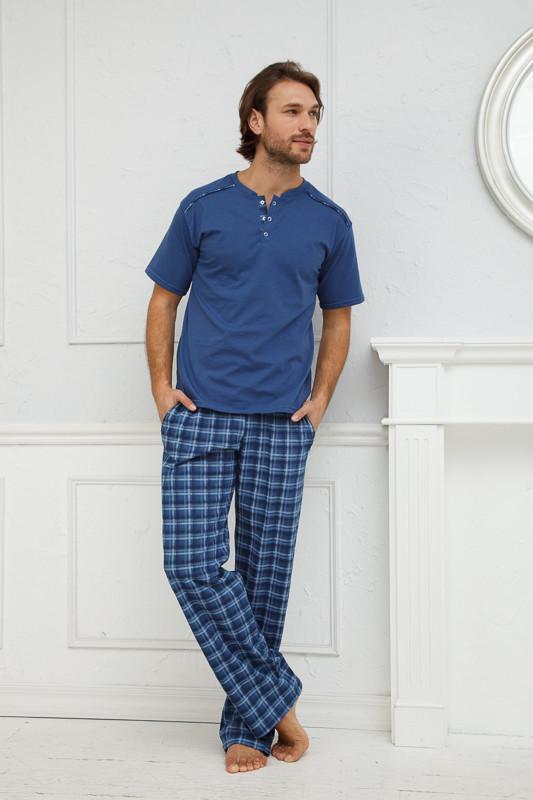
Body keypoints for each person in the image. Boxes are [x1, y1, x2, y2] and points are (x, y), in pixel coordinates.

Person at [144, 59, 365, 774]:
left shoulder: (329, 221)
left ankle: (249, 729)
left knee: (265, 579)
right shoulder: (202, 207)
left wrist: (321, 399)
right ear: (255, 120)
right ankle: (280, 704)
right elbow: (163, 299)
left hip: (282, 422)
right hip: (200, 415)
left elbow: (338, 317)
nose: (307, 126)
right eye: (293, 111)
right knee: (191, 565)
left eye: (314, 114)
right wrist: (161, 389)